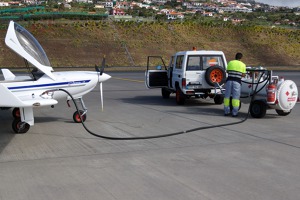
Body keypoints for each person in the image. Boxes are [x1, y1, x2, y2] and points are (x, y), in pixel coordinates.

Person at [224, 53, 246, 117]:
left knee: (227, 97)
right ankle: (234, 112)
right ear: (241, 58)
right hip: (237, 82)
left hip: (229, 81)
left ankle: (226, 111)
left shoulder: (230, 62)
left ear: (235, 57)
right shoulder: (243, 65)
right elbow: (243, 74)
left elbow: (227, 71)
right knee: (235, 98)